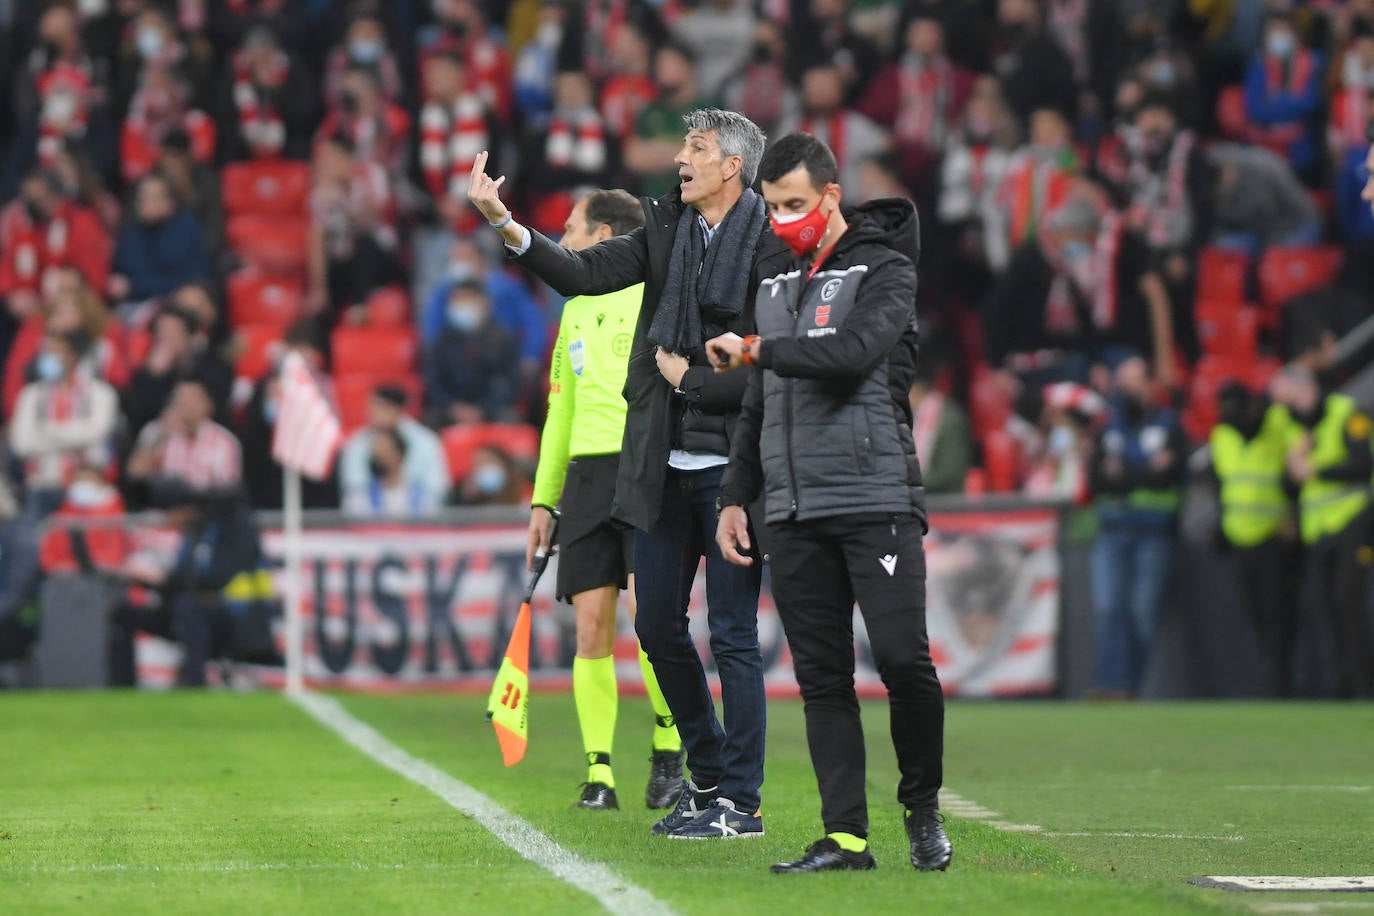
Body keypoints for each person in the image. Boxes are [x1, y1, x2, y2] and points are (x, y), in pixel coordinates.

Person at [468, 107, 791, 840]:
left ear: (730, 166)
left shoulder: (769, 247)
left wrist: (690, 380)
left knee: (734, 635)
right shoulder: (668, 231)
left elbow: (770, 359)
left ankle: (742, 802)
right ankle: (706, 777)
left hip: (733, 470)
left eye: (696, 147)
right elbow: (583, 272)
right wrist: (505, 224)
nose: (680, 157)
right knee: (655, 625)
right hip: (662, 463)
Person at [706, 132, 950, 873]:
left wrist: (755, 348)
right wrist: (734, 494)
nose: (782, 221)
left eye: (795, 205)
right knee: (821, 680)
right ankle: (845, 837)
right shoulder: (775, 275)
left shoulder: (887, 269)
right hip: (795, 509)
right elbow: (759, 402)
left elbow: (850, 358)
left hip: (874, 498)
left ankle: (922, 808)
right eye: (773, 207)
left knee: (905, 662)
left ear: (832, 196)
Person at [527, 189, 685, 810]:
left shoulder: (656, 293)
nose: (562, 241)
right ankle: (600, 774)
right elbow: (558, 410)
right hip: (589, 480)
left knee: (651, 620)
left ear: (605, 236)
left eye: (570, 230)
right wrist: (544, 500)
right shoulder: (574, 311)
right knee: (591, 625)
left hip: (646, 464)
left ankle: (669, 744)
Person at [1271, 367, 1374, 698]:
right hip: (1317, 532)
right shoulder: (1291, 428)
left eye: (1287, 399)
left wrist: (1318, 469)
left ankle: (1363, 687)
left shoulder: (1347, 414)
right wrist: (1293, 464)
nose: (1283, 408)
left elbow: (1363, 465)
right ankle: (1338, 688)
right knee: (1325, 609)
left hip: (1351, 522)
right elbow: (1290, 482)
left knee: (1350, 604)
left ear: (1307, 390)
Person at [1087, 356, 1186, 698]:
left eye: (1136, 379)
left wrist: (1123, 474)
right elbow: (1096, 479)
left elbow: (1170, 475)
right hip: (1112, 528)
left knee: (1142, 612)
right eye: (1123, 380)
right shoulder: (1107, 426)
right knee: (1108, 609)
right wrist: (1145, 471)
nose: (1129, 388)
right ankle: (1109, 684)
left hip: (1153, 531)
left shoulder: (1169, 424)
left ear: (1150, 384)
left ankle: (1130, 687)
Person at [1209, 383, 1300, 696]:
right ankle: (1270, 674)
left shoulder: (1277, 422)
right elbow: (1221, 484)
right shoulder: (1222, 435)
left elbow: (1298, 462)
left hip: (1275, 533)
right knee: (1254, 611)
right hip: (1240, 535)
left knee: (1278, 610)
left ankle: (1280, 680)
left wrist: (1293, 513)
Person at [8, 330, 119, 518]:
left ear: (72, 357)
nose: (46, 358)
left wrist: (46, 431)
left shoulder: (99, 393)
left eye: (54, 352)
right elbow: (22, 443)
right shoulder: (31, 395)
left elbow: (96, 432)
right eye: (45, 353)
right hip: (41, 487)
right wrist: (75, 438)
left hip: (86, 488)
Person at [338, 384, 450, 514]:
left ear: (398, 409)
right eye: (371, 406)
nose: (373, 412)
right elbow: (352, 487)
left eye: (381, 406)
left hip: (419, 517)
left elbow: (437, 488)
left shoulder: (426, 441)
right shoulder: (356, 444)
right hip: (369, 517)